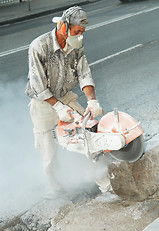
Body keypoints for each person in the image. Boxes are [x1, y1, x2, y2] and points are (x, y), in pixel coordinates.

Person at [25, 5, 105, 197]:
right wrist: (58, 107)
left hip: (66, 96)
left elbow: (84, 74)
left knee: (88, 135)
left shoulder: (76, 45)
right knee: (49, 151)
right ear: (64, 26)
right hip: (42, 103)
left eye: (82, 32)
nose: (80, 36)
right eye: (77, 31)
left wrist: (92, 101)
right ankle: (55, 189)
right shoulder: (39, 46)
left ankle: (103, 182)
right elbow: (38, 86)